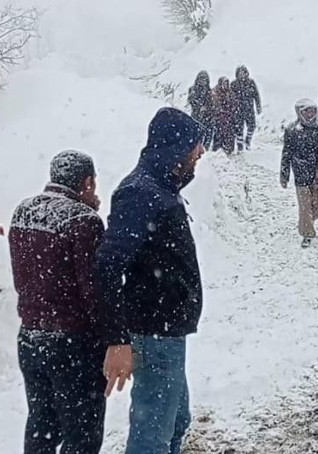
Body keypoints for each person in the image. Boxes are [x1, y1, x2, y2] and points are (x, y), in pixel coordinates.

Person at [95, 107, 205, 454]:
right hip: (154, 333)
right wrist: (117, 340)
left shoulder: (160, 188)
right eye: (194, 145)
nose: (199, 152)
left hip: (168, 331)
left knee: (175, 423)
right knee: (152, 437)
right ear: (175, 147)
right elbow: (108, 266)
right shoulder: (140, 193)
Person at [9, 150, 106, 454]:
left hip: (29, 338)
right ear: (87, 182)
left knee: (42, 426)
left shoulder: (22, 211)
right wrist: (111, 338)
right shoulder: (83, 220)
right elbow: (93, 291)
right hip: (72, 343)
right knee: (82, 433)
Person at [280, 98, 318, 248]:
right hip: (300, 171)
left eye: (313, 110)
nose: (310, 114)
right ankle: (307, 232)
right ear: (300, 112)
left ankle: (307, 221)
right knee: (304, 205)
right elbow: (286, 153)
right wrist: (284, 174)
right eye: (307, 111)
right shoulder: (292, 130)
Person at [230, 65, 261, 151]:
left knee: (252, 125)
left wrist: (258, 106)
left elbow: (256, 95)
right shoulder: (234, 84)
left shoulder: (251, 82)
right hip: (238, 110)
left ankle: (248, 140)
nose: (242, 75)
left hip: (249, 109)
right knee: (239, 128)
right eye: (240, 73)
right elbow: (230, 97)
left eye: (243, 73)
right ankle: (240, 145)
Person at [187, 70, 214, 150]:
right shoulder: (193, 89)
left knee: (209, 132)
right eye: (201, 79)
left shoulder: (209, 90)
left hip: (208, 115)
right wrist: (199, 107)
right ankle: (196, 149)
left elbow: (211, 102)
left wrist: (208, 107)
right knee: (197, 133)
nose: (203, 81)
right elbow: (191, 100)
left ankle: (206, 148)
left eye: (205, 80)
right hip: (197, 116)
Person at [211, 77, 238, 154]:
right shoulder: (215, 92)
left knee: (229, 134)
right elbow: (214, 104)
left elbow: (234, 103)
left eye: (227, 83)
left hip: (229, 118)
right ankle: (217, 150)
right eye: (224, 83)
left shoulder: (230, 93)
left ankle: (229, 149)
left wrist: (231, 111)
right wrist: (220, 112)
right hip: (219, 118)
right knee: (219, 134)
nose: (226, 85)